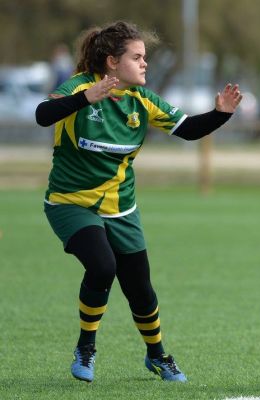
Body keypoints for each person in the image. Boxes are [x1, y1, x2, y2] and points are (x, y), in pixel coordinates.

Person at [35, 21, 242, 383]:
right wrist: (85, 98)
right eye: (137, 57)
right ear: (112, 63)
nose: (145, 63)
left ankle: (158, 355)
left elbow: (188, 130)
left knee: (140, 288)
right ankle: (86, 347)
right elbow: (42, 115)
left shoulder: (142, 101)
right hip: (70, 203)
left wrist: (221, 113)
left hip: (122, 208)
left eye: (145, 57)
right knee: (102, 266)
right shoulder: (80, 87)